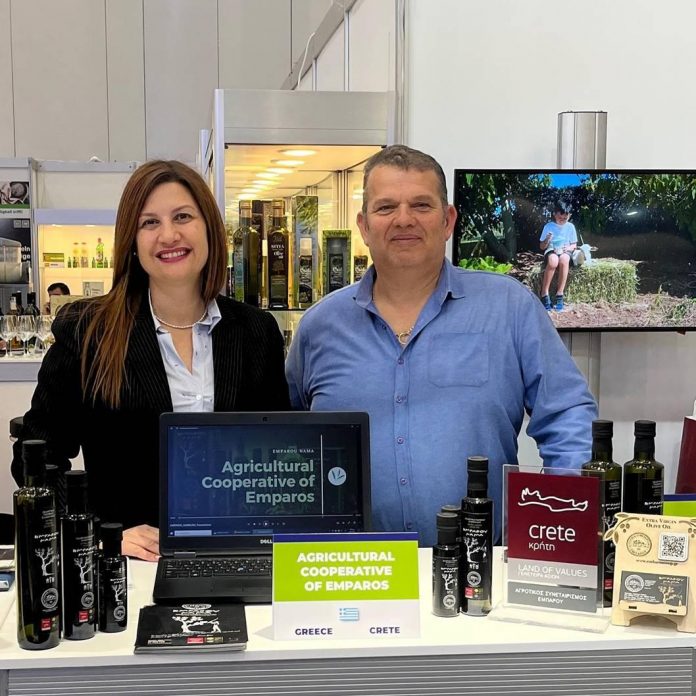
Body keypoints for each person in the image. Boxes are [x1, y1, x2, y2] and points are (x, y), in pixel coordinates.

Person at [286, 145, 597, 547]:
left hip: (481, 569)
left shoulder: (509, 307)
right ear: (364, 225)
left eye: (421, 205)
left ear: (448, 220)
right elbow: (291, 439)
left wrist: (560, 525)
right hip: (354, 570)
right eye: (386, 207)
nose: (404, 219)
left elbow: (568, 413)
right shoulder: (319, 327)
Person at [12, 160, 290, 560]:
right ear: (132, 239)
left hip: (236, 555)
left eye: (183, 216)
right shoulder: (89, 330)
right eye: (149, 223)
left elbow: (277, 456)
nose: (169, 235)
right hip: (130, 566)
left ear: (209, 227)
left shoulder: (256, 332)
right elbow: (36, 457)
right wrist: (98, 534)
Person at [539, 200, 578, 312]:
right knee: (553, 261)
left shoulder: (570, 227)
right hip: (552, 249)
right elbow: (542, 246)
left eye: (565, 218)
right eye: (560, 218)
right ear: (554, 214)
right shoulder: (548, 227)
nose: (562, 220)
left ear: (569, 216)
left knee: (564, 259)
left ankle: (560, 294)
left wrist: (568, 248)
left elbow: (574, 245)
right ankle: (544, 293)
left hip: (565, 250)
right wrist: (547, 239)